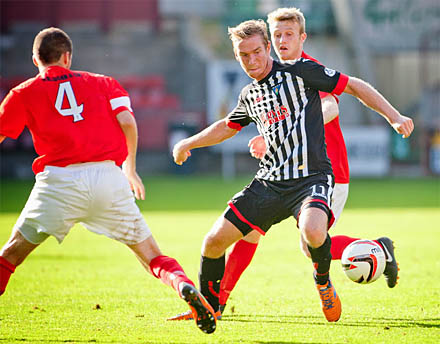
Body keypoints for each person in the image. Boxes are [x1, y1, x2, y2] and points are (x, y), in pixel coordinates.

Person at [168, 8, 402, 323]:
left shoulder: (304, 69)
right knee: (231, 237)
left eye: (287, 34)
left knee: (311, 238)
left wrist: (394, 117)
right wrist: (189, 143)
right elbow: (228, 124)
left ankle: (364, 256)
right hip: (271, 180)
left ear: (300, 37)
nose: (281, 41)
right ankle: (213, 305)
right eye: (277, 35)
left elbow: (332, 101)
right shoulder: (251, 92)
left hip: (316, 173)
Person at [0, 27, 216, 334]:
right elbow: (127, 121)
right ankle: (182, 286)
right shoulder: (103, 82)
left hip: (58, 182)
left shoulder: (22, 93)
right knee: (153, 256)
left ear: (35, 59)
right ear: (68, 57)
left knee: (10, 254)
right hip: (108, 178)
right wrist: (130, 168)